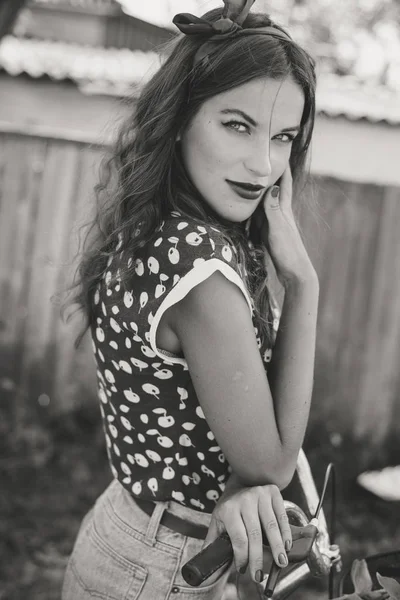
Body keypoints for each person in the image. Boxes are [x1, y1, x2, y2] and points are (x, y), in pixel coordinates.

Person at [61, 1, 319, 598]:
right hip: (161, 566)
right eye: (237, 124)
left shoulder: (159, 225)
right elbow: (271, 465)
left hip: (140, 535)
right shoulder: (196, 264)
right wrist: (303, 285)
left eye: (283, 137)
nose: (263, 163)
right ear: (181, 118)